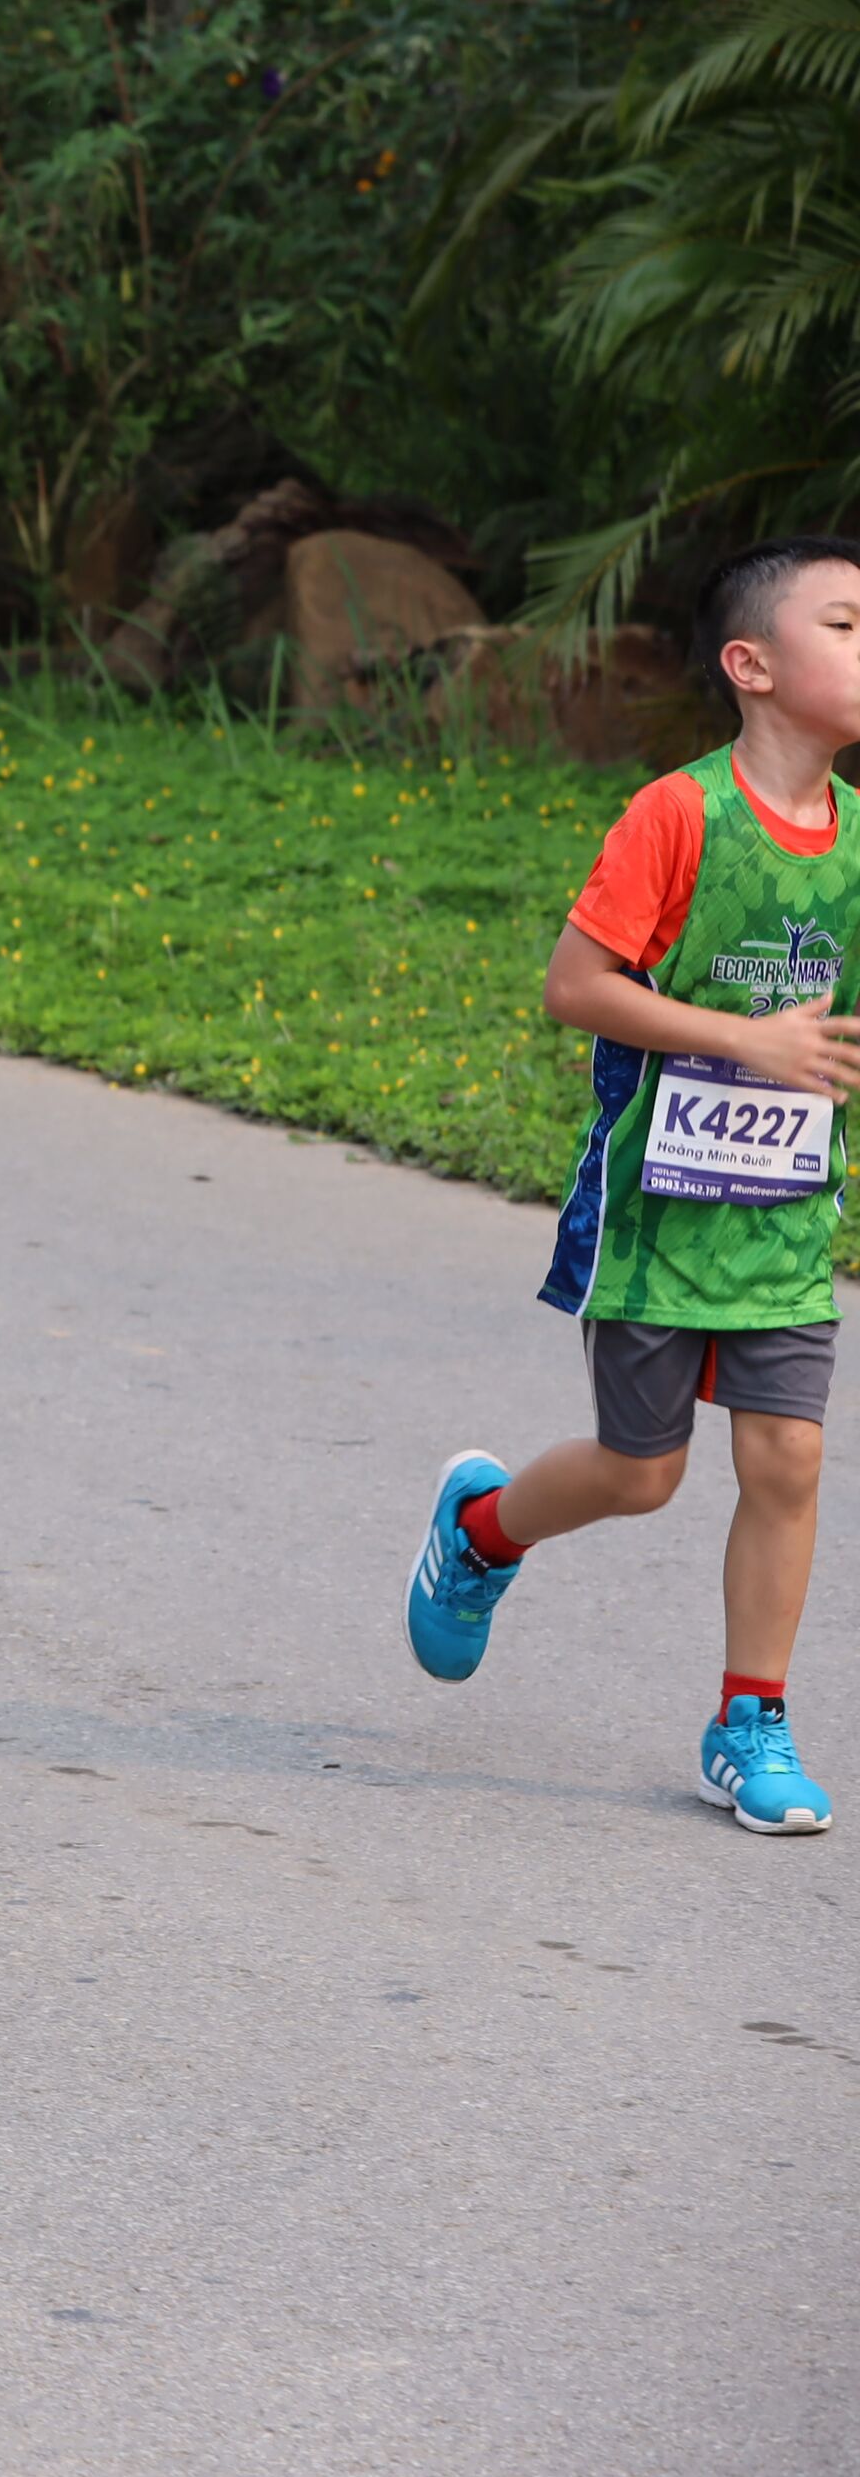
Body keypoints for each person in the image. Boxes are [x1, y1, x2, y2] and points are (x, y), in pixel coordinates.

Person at [407, 535, 860, 1836]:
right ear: (753, 666)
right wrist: (746, 1040)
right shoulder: (680, 815)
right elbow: (575, 985)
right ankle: (485, 1528)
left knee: (787, 1457)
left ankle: (751, 1721)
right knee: (639, 1473)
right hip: (657, 1214)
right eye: (844, 623)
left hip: (782, 1220)